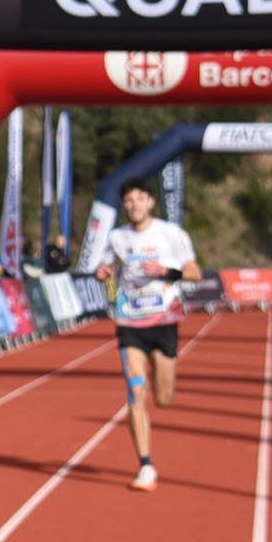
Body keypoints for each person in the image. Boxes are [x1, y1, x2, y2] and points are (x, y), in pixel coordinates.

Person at [98, 176, 201, 492]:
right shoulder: (117, 238)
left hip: (164, 320)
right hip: (130, 322)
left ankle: (159, 377)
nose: (134, 205)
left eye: (139, 199)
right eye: (129, 200)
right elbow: (105, 268)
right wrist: (103, 272)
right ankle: (145, 465)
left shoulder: (171, 234)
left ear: (150, 202)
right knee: (135, 392)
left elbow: (195, 273)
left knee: (164, 397)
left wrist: (166, 272)